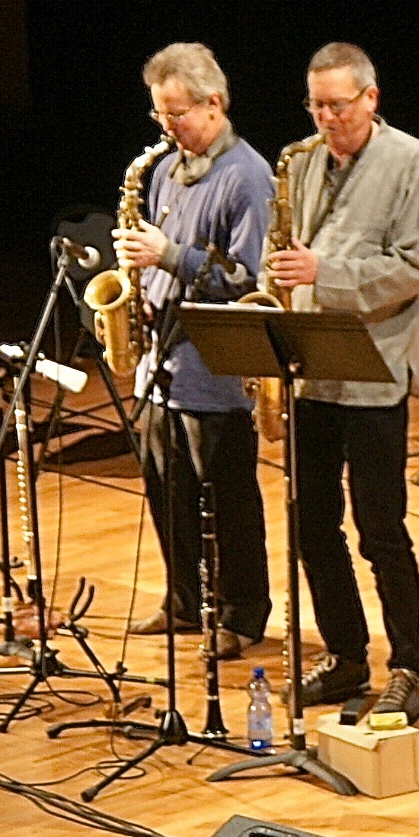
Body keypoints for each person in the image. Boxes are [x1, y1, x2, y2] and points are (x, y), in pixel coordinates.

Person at [270, 42, 419, 725]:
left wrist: (324, 273)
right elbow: (285, 252)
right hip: (312, 369)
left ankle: (410, 664)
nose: (326, 118)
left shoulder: (412, 161)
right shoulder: (301, 161)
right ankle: (346, 655)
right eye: (316, 105)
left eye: (338, 105)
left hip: (374, 370)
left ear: (371, 98)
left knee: (380, 528)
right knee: (312, 524)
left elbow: (411, 269)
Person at [117, 43, 273, 655]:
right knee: (168, 489)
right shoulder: (164, 171)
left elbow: (250, 279)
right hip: (162, 361)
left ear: (215, 103)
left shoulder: (248, 177)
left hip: (216, 369)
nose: (167, 127)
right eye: (159, 114)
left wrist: (168, 257)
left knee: (227, 499)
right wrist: (143, 287)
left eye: (176, 114)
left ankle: (242, 612)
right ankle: (185, 599)